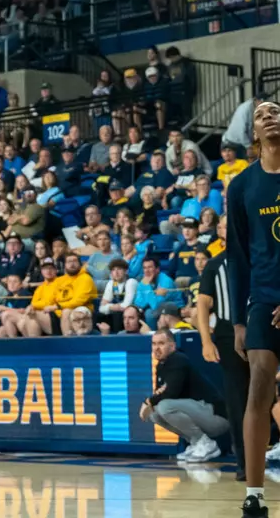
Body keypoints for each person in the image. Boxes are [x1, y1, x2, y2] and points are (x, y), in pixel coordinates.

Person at [227, 100, 280, 518]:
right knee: (259, 384)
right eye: (262, 114)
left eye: (277, 110)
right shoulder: (242, 186)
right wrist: (239, 321)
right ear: (254, 135)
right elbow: (237, 256)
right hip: (263, 298)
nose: (270, 116)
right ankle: (255, 495)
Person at [196, 247, 248, 482]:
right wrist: (206, 341)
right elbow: (203, 305)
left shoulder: (261, 254)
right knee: (238, 399)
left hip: (264, 326)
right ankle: (245, 462)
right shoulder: (215, 264)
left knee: (265, 395)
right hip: (228, 334)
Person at [139, 329, 228, 463]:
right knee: (155, 413)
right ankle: (197, 442)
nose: (156, 348)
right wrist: (151, 403)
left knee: (164, 406)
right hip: (199, 413)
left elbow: (171, 392)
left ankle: (206, 444)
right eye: (154, 344)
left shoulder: (179, 360)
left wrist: (148, 402)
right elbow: (161, 393)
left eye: (161, 343)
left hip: (216, 416)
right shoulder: (161, 365)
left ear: (172, 346)